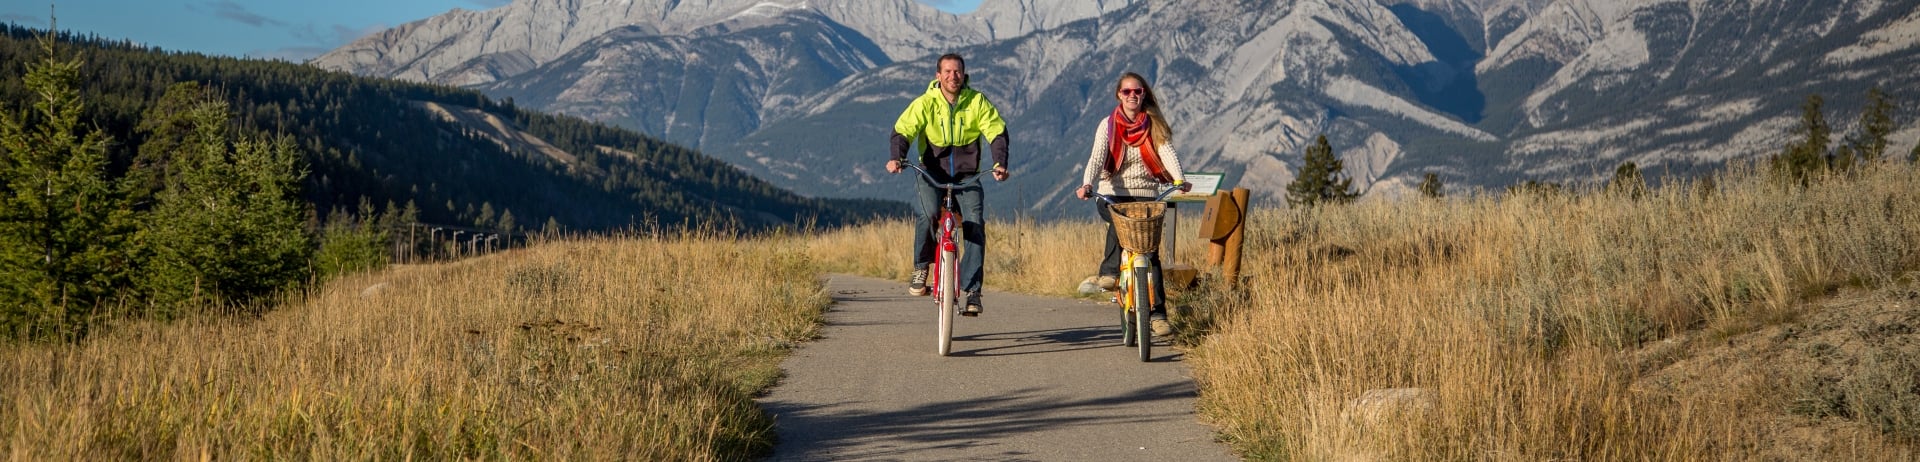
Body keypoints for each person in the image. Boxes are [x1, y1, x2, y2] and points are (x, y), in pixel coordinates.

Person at [886, 53, 1010, 316]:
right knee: (928, 213)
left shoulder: (976, 101)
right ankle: (921, 266)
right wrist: (897, 158)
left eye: (958, 72)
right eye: (948, 71)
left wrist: (1000, 163)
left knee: (975, 221)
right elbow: (904, 129)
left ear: (964, 75)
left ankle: (973, 291)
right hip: (932, 172)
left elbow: (996, 131)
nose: (953, 76)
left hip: (968, 176)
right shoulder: (925, 103)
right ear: (938, 76)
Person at [1075, 71, 1189, 336]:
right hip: (1112, 191)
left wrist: (1179, 179)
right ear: (1119, 95)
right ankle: (1110, 272)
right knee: (1119, 217)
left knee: (1151, 254)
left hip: (1147, 195)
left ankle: (1159, 315)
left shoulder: (1154, 125)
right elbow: (1096, 158)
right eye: (1127, 92)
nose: (1132, 96)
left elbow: (1167, 152)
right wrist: (1087, 184)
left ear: (1144, 94)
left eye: (1137, 91)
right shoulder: (1108, 125)